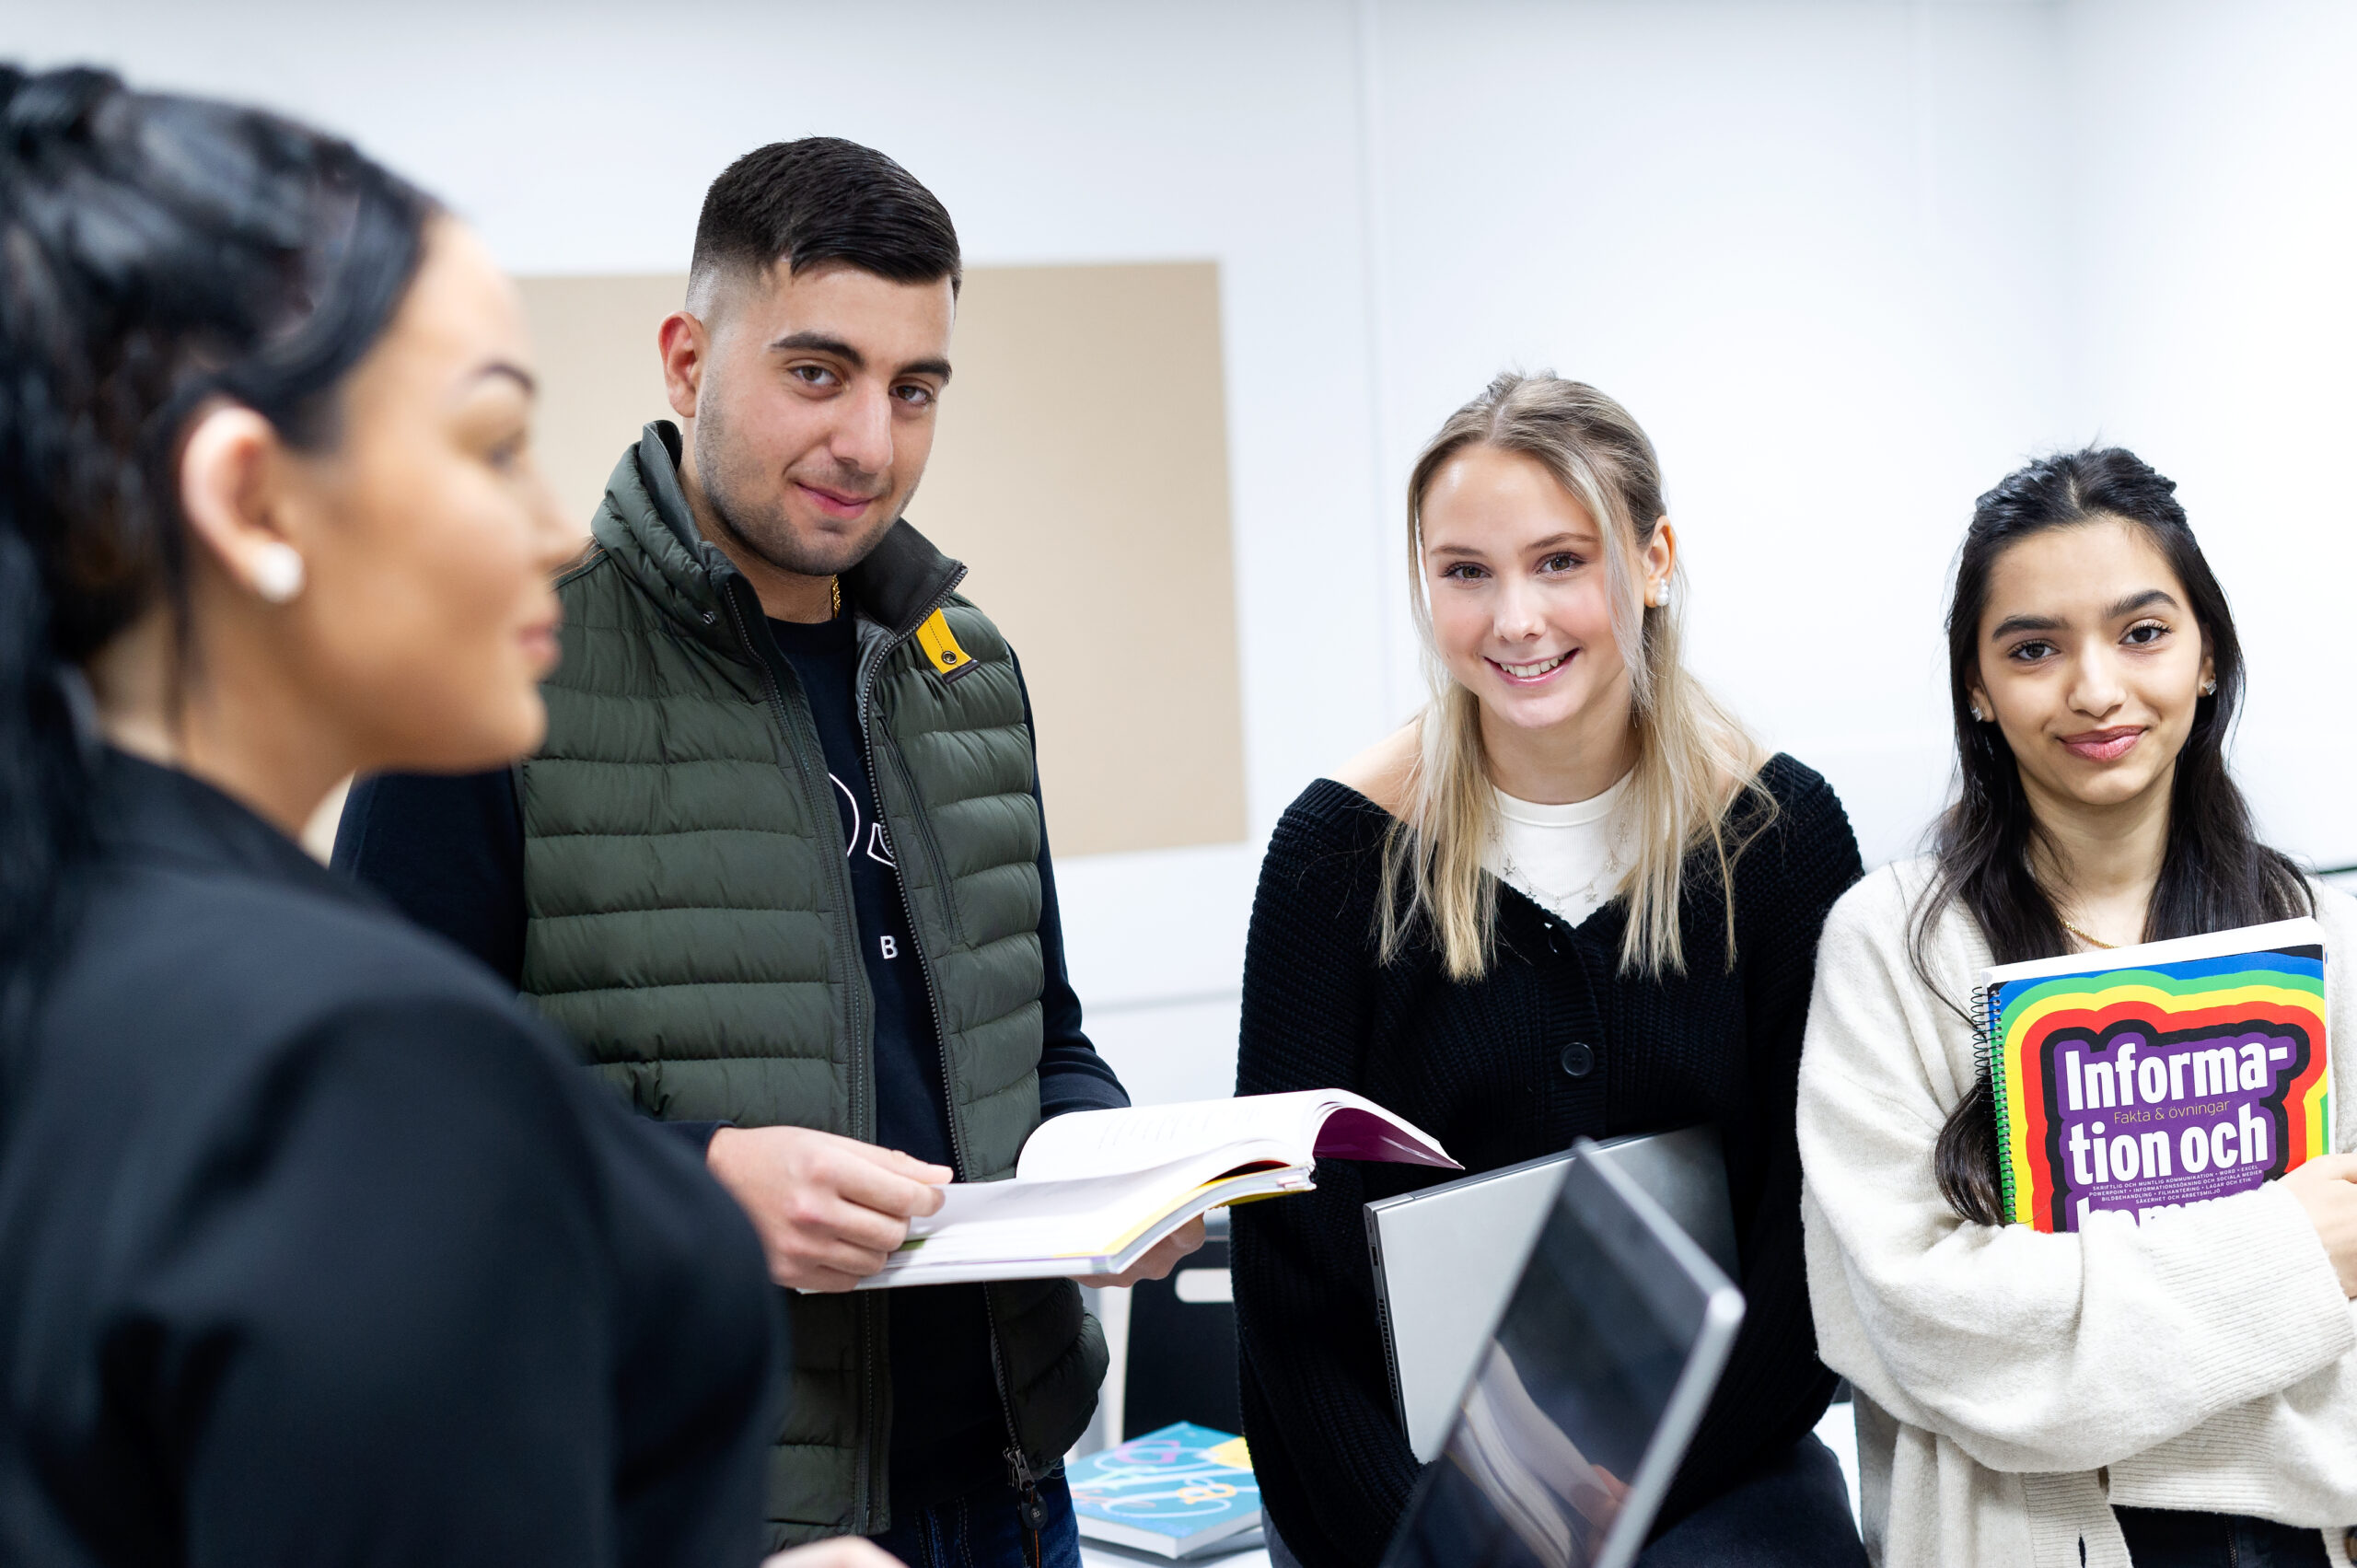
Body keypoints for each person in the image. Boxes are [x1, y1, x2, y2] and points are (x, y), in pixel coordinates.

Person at [0, 65, 894, 1568]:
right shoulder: (352, 1064)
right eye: (490, 447)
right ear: (253, 500)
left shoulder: (72, 937)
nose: (553, 525)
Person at [333, 137, 1197, 1563]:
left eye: (915, 389)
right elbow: (375, 1127)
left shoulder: (963, 669)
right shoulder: (494, 667)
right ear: (686, 360)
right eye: (817, 371)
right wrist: (698, 1179)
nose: (871, 439)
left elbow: (1039, 1035)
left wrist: (1116, 1163)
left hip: (1016, 1494)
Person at [1229, 373, 1868, 1567]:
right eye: (1465, 570)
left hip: (1716, 1470)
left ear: (1654, 554)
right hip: (1401, 1497)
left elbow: (1813, 1234)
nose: (1515, 617)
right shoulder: (1335, 857)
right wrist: (1424, 1542)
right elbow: (1288, 1290)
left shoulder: (1778, 838)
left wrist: (1637, 1488)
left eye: (1561, 560)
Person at [1798, 448, 2357, 1567]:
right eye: (2034, 648)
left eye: (2142, 632)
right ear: (1975, 683)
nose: (2095, 688)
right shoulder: (1889, 945)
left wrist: (2074, 1316)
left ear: (2207, 656)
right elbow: (1934, 1328)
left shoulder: (2307, 930)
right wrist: (2282, 1264)